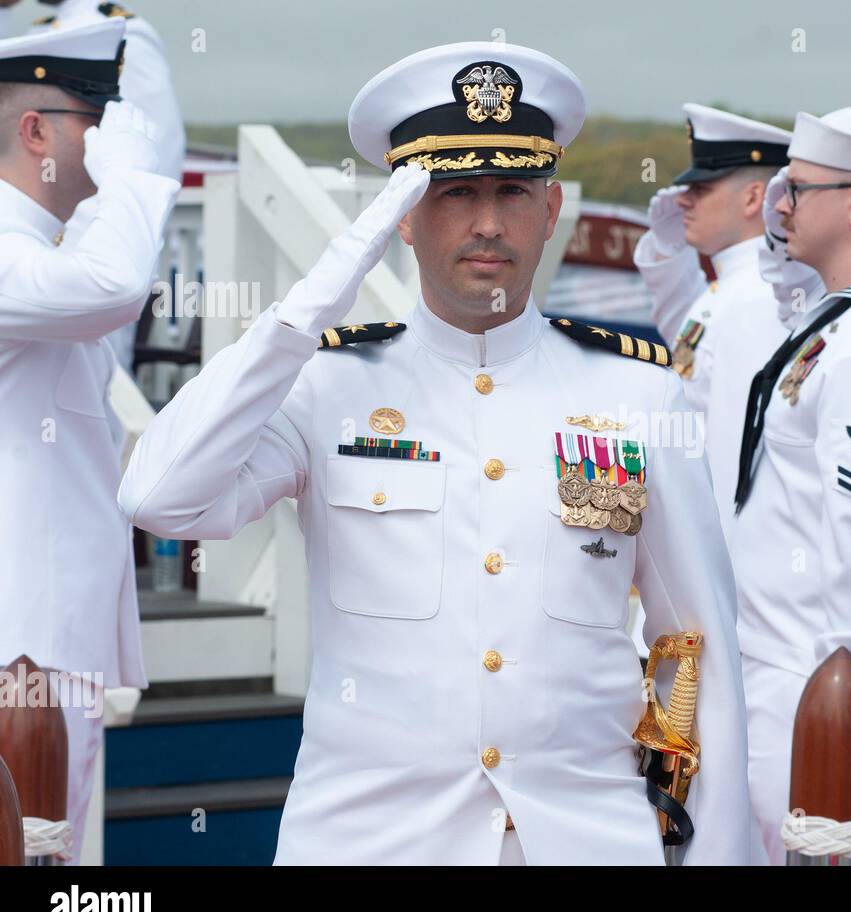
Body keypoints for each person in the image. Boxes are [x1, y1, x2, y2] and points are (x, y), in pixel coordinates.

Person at [118, 40, 751, 866]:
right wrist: (312, 304)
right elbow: (160, 495)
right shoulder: (323, 384)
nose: (488, 222)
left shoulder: (638, 396)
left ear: (551, 208)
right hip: (372, 845)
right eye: (454, 193)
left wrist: (700, 847)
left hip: (582, 842)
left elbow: (694, 648)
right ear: (404, 217)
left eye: (512, 191)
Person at [0, 18, 178, 863]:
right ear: (36, 131)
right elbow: (111, 285)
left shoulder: (41, 249)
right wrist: (133, 180)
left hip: (45, 651)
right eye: (94, 117)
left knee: (50, 856)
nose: (112, 139)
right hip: (14, 655)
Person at [732, 106, 851, 864]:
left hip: (821, 705)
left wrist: (845, 734)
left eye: (799, 190)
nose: (779, 205)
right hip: (779, 686)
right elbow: (777, 273)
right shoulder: (836, 319)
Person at [632, 105, 792, 544]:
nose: (682, 198)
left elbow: (734, 452)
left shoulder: (757, 298)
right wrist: (667, 248)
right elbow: (687, 339)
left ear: (752, 197)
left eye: (699, 188)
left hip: (722, 547)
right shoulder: (736, 287)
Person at [28, 0, 186, 371]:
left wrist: (92, 230)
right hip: (33, 245)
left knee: (96, 376)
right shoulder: (40, 29)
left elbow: (152, 153)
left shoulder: (120, 34)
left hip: (93, 244)